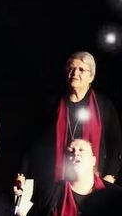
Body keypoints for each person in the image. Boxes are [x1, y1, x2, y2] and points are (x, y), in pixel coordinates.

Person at [19, 51, 121, 202]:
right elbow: (32, 141)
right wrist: (22, 173)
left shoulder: (103, 105)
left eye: (81, 69)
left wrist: (110, 176)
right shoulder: (51, 104)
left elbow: (116, 144)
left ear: (91, 76)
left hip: (93, 185)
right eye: (71, 68)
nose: (74, 73)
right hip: (54, 185)